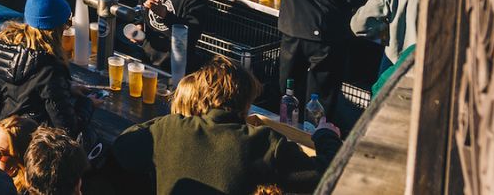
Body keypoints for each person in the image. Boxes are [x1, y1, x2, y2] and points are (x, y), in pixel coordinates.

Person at [112, 57, 338, 195]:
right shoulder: (261, 142)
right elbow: (327, 174)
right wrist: (326, 136)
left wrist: (169, 122)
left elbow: (122, 146)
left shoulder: (169, 128)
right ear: (245, 102)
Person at [0, 0, 80, 135]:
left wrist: (66, 87)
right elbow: (66, 128)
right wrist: (88, 105)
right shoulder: (49, 68)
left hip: (5, 131)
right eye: (67, 22)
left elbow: (25, 92)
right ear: (57, 29)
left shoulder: (2, 45)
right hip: (32, 139)